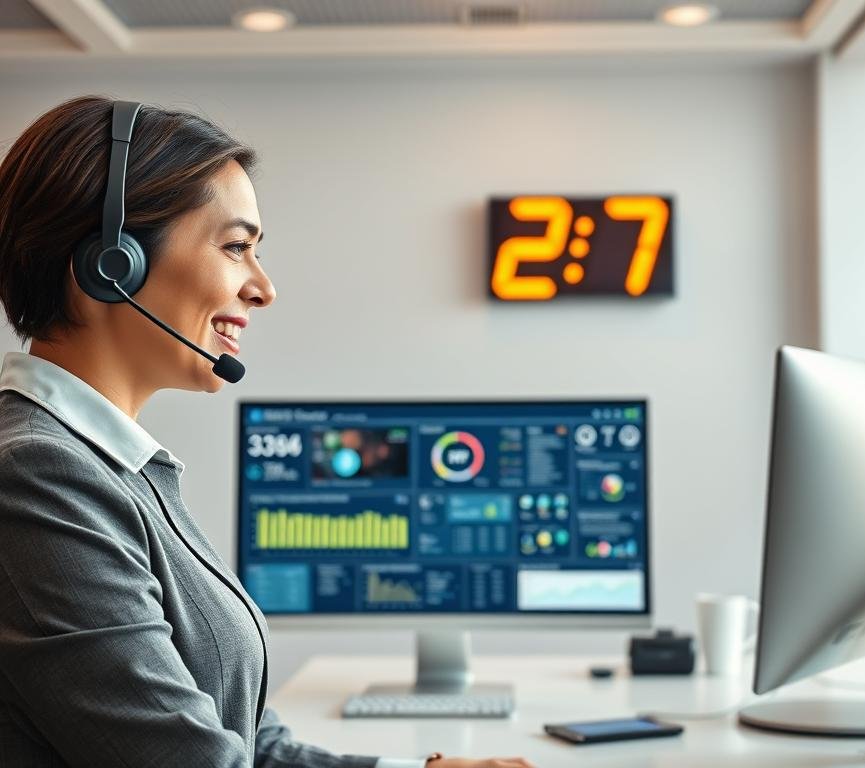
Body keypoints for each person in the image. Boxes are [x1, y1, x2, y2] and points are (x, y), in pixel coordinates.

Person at [0, 95, 534, 768]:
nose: (263, 288)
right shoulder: (36, 476)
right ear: (113, 265)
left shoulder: (114, 469)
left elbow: (250, 741)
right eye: (235, 248)